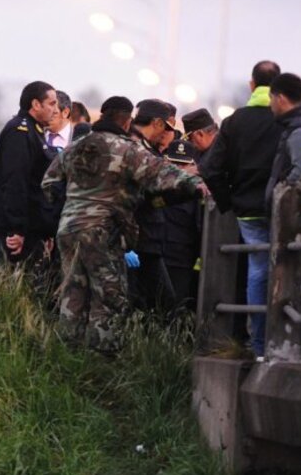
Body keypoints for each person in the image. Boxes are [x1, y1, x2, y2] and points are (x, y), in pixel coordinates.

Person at [42, 96, 207, 352]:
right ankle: (101, 360)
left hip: (69, 229)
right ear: (127, 120)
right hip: (103, 232)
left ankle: (67, 356)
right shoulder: (127, 149)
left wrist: (71, 207)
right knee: (108, 298)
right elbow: (163, 174)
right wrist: (199, 186)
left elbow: (49, 184)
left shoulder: (77, 145)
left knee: (73, 294)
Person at [201, 60, 283, 357]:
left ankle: (258, 345)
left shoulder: (235, 121)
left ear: (252, 85)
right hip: (284, 209)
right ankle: (285, 343)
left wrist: (228, 201)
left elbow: (210, 168)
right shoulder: (287, 120)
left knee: (258, 269)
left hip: (247, 209)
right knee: (287, 269)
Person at [0, 81, 59, 266]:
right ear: (36, 105)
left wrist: (46, 231)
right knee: (20, 288)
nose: (56, 110)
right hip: (21, 231)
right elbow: (16, 182)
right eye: (52, 104)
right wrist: (17, 230)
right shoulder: (19, 132)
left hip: (34, 227)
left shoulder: (34, 131)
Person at [129, 99, 178, 313]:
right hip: (136, 240)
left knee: (152, 303)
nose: (168, 134)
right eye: (167, 128)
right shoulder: (135, 149)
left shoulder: (150, 150)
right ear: (157, 123)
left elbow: (152, 199)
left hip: (149, 239)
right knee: (162, 303)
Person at [163, 140, 203, 309]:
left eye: (184, 165)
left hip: (183, 260)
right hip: (156, 256)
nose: (179, 169)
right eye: (174, 163)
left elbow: (200, 230)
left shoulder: (198, 193)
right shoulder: (154, 186)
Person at [266, 72, 301, 208]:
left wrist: (282, 189)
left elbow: (300, 171)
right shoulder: (290, 125)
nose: (270, 104)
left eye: (271, 98)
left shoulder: (297, 131)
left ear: (280, 98)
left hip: (291, 216)